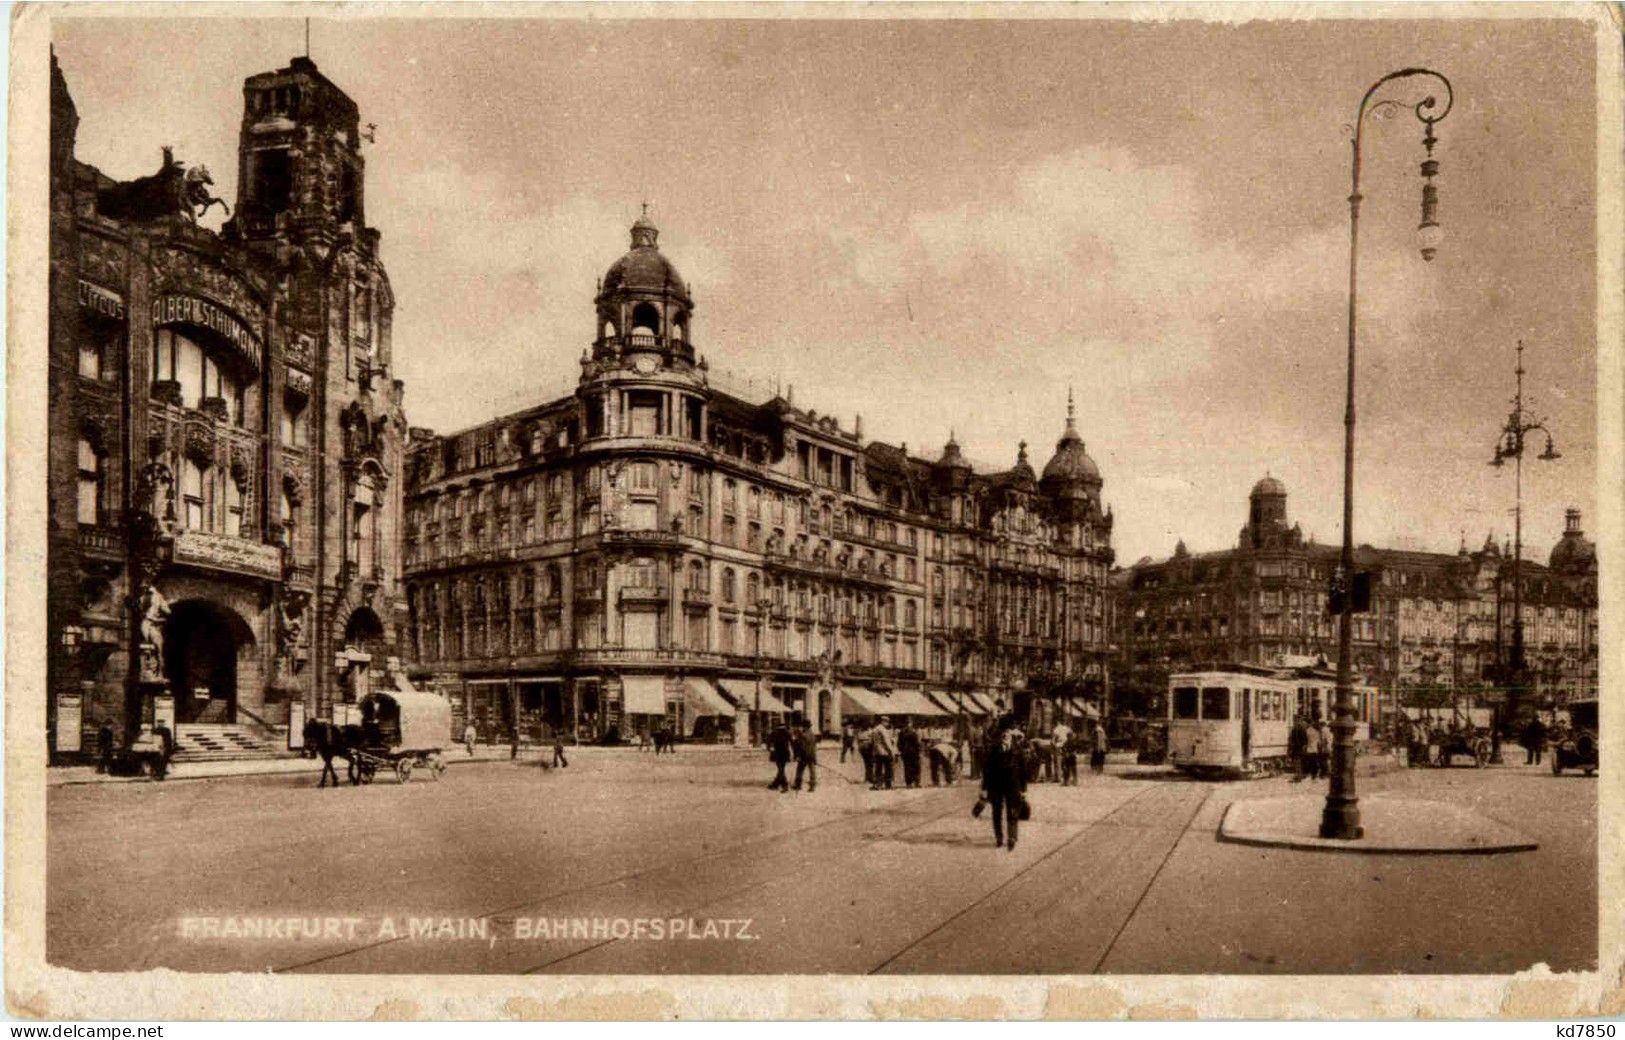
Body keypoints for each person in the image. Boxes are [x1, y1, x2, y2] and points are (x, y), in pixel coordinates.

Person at [981, 715, 1028, 851]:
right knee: (996, 812)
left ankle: (1012, 837)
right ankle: (999, 837)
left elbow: (1023, 770)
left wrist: (1024, 789)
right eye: (1003, 733)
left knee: (1013, 812)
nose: (1004, 735)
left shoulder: (1017, 749)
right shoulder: (993, 749)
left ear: (1010, 734)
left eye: (1007, 733)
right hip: (996, 785)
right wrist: (984, 788)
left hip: (1013, 785)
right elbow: (987, 769)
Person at [870, 718, 898, 790]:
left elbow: (872, 741)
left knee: (878, 768)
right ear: (884, 722)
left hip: (877, 751)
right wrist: (891, 751)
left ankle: (877, 784)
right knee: (888, 768)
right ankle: (888, 785)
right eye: (887, 722)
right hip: (885, 752)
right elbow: (886, 742)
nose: (888, 724)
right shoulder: (883, 730)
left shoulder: (875, 729)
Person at [792, 720, 818, 792]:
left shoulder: (806, 734)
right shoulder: (812, 734)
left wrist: (799, 734)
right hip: (810, 755)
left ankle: (799, 785)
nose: (802, 727)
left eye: (803, 726)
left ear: (805, 727)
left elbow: (802, 744)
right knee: (810, 771)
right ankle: (811, 786)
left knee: (801, 770)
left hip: (806, 755)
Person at [767, 720, 792, 792]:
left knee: (781, 769)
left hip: (777, 753)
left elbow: (769, 742)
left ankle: (785, 785)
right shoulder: (787, 733)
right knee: (781, 768)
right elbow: (792, 743)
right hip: (785, 753)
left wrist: (770, 749)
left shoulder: (774, 733)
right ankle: (775, 784)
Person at [897, 719, 922, 788]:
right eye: (908, 723)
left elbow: (899, 744)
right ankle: (912, 783)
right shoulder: (911, 732)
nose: (909, 725)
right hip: (911, 753)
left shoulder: (902, 732)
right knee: (912, 767)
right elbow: (899, 743)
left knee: (912, 767)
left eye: (909, 723)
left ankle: (913, 782)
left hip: (910, 752)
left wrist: (901, 751)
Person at [1288, 712, 1309, 781]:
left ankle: (1298, 776)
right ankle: (1299, 775)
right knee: (1298, 761)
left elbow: (1304, 738)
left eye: (1296, 720)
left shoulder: (1298, 728)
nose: (1296, 721)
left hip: (1298, 747)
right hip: (1298, 747)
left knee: (1298, 761)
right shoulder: (1299, 727)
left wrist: (1304, 745)